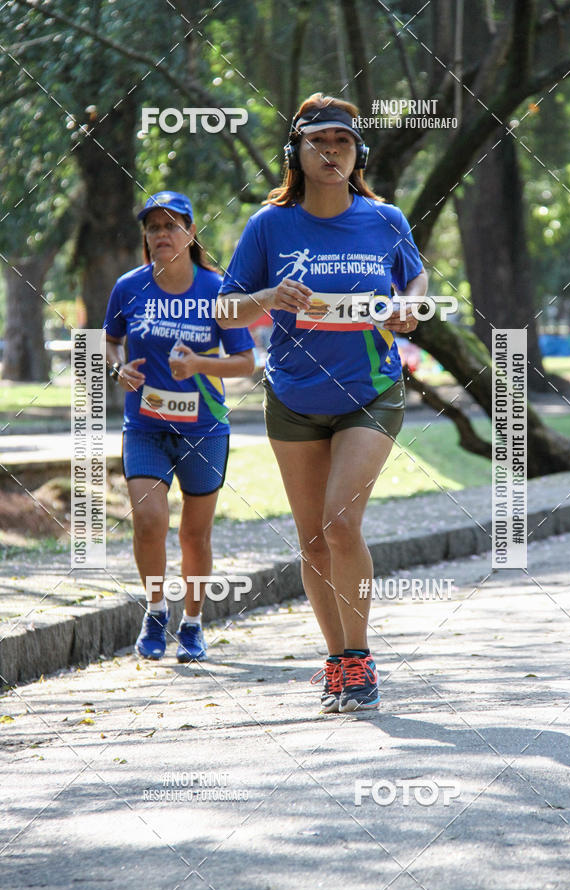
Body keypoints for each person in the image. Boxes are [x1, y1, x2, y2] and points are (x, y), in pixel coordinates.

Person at [218, 93, 428, 712]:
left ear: (357, 152)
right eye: (318, 141)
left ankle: (359, 660)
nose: (331, 150)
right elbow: (226, 307)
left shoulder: (384, 219)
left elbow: (413, 276)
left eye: (342, 141)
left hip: (371, 389)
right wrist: (269, 298)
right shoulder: (269, 226)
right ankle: (336, 660)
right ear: (297, 153)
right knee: (311, 540)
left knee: (341, 521)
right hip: (292, 396)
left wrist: (411, 305)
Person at [104, 191, 254, 663]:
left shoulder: (217, 289)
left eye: (172, 225)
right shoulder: (129, 287)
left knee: (195, 535)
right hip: (145, 425)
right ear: (146, 238)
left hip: (205, 430)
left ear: (191, 233)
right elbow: (108, 341)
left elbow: (247, 362)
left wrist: (200, 366)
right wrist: (116, 368)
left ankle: (192, 623)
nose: (162, 234)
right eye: (153, 227)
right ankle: (154, 609)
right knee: (149, 522)